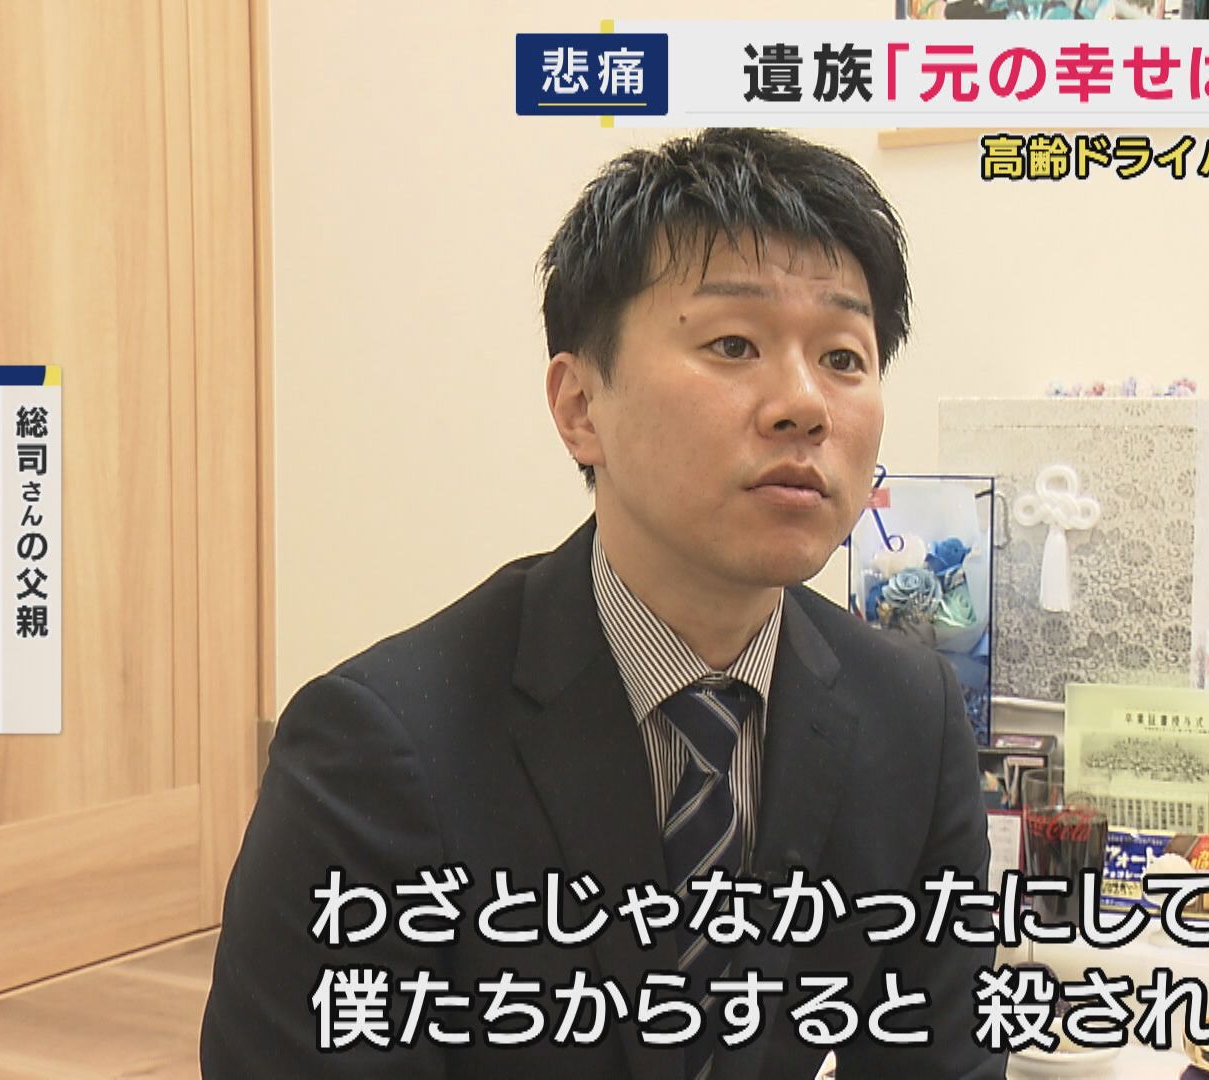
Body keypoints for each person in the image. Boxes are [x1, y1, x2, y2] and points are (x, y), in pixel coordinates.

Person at [201, 129, 1000, 1080]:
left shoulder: (911, 716)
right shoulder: (378, 747)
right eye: (734, 344)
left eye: (843, 356)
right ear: (581, 407)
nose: (804, 405)